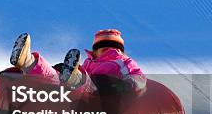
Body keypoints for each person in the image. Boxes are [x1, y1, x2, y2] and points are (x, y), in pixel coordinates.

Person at [9, 29, 146, 96]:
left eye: (113, 46)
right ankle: (28, 61)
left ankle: (74, 78)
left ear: (120, 50)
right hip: (74, 94)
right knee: (53, 76)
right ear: (95, 51)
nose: (109, 48)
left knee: (85, 81)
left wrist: (128, 84)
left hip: (101, 94)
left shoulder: (123, 61)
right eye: (103, 45)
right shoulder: (89, 62)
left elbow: (138, 77)